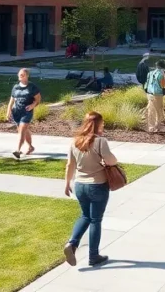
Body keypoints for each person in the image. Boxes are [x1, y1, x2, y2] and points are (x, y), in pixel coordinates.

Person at [63, 112, 117, 268]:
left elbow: (69, 165)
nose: (104, 125)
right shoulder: (100, 142)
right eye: (102, 123)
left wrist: (67, 183)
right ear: (98, 124)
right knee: (95, 220)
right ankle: (93, 256)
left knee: (85, 215)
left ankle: (72, 244)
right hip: (97, 185)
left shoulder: (75, 141)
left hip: (80, 185)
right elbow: (111, 160)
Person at [6, 68, 42, 159]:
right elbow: (12, 100)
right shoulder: (16, 87)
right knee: (24, 131)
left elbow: (38, 99)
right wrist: (8, 111)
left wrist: (32, 105)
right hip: (16, 112)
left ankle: (18, 150)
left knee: (22, 130)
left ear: (27, 76)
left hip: (27, 112)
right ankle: (31, 147)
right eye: (19, 74)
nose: (20, 76)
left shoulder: (32, 87)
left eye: (23, 75)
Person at [143, 59, 165, 132]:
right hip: (157, 94)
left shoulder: (150, 73)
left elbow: (146, 84)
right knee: (159, 110)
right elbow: (163, 85)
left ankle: (151, 127)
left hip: (149, 93)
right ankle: (157, 127)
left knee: (151, 110)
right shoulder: (161, 73)